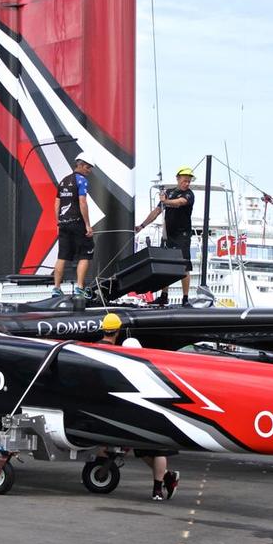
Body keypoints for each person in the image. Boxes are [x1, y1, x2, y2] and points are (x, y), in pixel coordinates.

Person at [94, 312, 179, 500]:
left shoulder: (95, 350)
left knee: (117, 445)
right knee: (154, 449)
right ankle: (160, 485)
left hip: (106, 408)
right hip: (136, 412)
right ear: (117, 331)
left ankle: (98, 473)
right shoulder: (140, 364)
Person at [135, 166, 196, 306]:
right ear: (178, 179)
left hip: (183, 235)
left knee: (185, 266)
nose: (187, 183)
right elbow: (156, 211)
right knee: (166, 265)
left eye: (189, 181)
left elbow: (180, 202)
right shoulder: (168, 193)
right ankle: (164, 296)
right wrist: (142, 226)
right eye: (184, 180)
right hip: (167, 235)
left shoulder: (189, 195)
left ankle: (185, 298)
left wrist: (165, 202)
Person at [52, 152, 94, 299]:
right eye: (88, 167)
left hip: (63, 223)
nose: (90, 171)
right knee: (85, 254)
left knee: (62, 256)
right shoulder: (81, 180)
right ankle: (80, 288)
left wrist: (58, 221)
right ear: (80, 165)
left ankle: (56, 289)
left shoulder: (63, 181)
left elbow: (57, 203)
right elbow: (82, 202)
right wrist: (88, 225)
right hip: (77, 223)